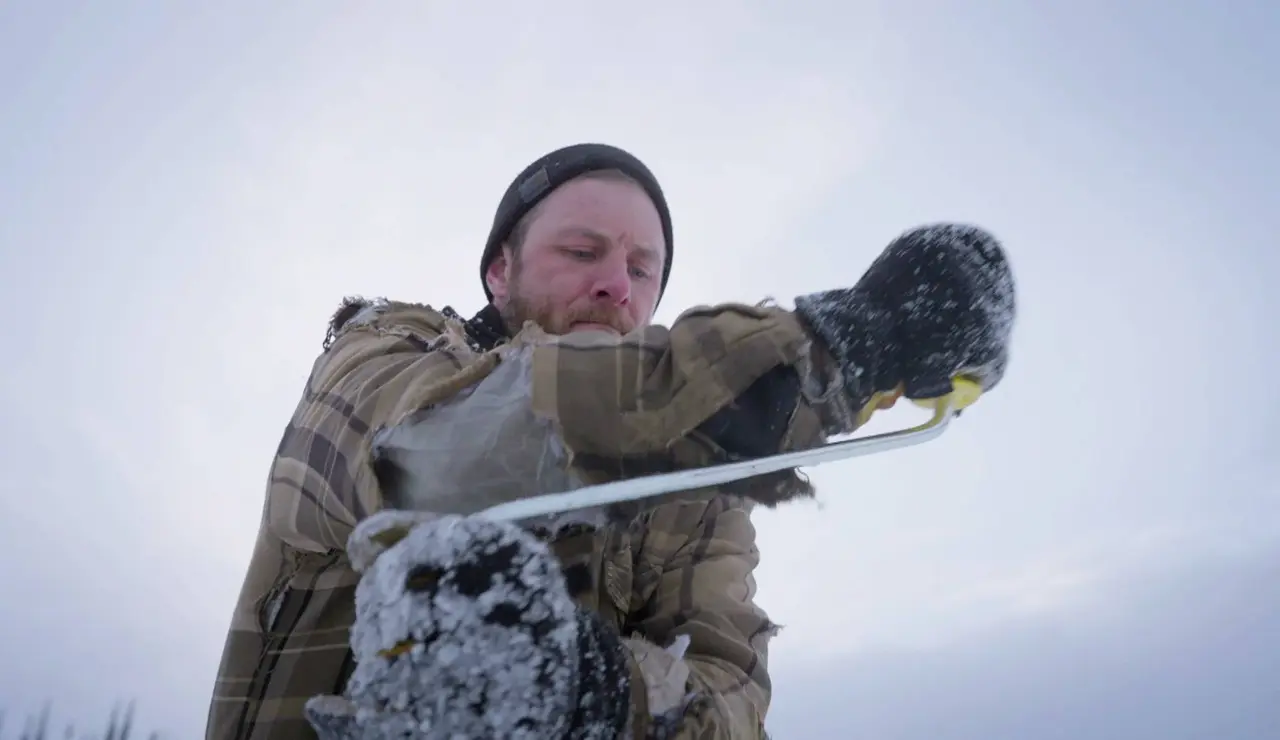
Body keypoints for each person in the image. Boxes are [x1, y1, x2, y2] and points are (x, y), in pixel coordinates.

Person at [205, 143, 1016, 740]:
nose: (615, 285)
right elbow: (430, 455)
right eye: (583, 251)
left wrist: (591, 689)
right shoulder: (387, 346)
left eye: (643, 268)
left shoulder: (701, 499)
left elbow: (732, 694)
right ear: (500, 270)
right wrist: (827, 353)